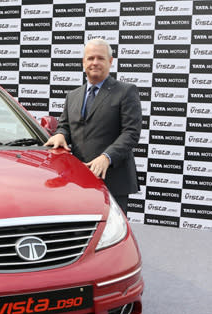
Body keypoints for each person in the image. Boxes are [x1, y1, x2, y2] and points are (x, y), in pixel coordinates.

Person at [45, 38, 141, 213]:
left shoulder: (126, 91)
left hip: (113, 179)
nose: (94, 63)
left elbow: (131, 133)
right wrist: (60, 134)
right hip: (78, 179)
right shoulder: (72, 96)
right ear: (83, 62)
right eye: (90, 58)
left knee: (110, 234)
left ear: (110, 61)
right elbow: (65, 126)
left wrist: (107, 157)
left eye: (100, 58)